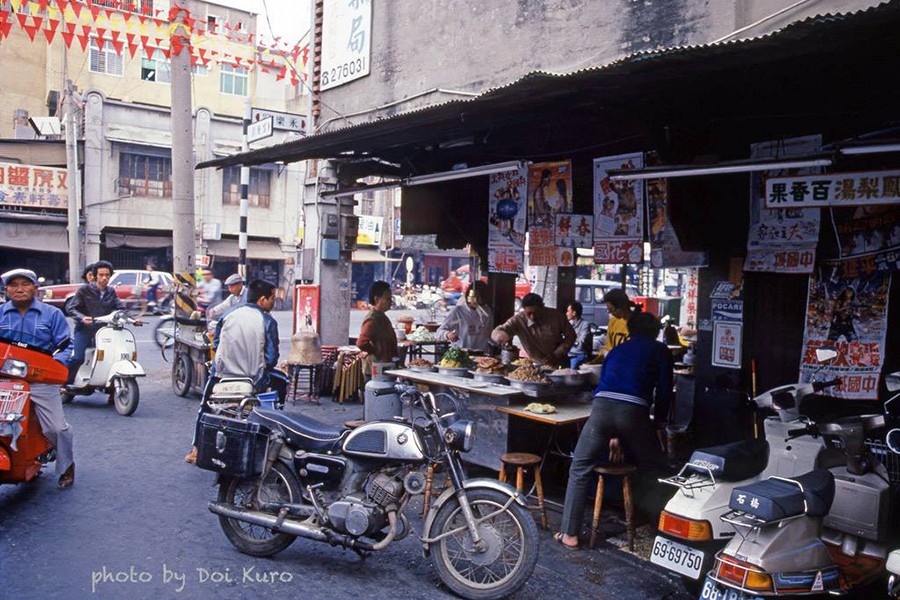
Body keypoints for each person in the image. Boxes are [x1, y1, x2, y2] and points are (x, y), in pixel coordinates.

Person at [555, 312, 672, 549]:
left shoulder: (616, 351)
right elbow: (665, 390)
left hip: (601, 410)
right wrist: (659, 423)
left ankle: (569, 533)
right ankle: (663, 532)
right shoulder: (661, 350)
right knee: (655, 469)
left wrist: (614, 435)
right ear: (655, 331)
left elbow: (606, 386)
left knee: (579, 468)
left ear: (630, 330)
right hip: (634, 413)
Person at [185, 279, 283, 464]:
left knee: (204, 409)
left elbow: (216, 344)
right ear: (262, 300)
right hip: (253, 381)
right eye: (272, 299)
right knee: (276, 397)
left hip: (221, 377)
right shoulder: (268, 321)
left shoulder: (229, 314)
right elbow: (271, 359)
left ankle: (196, 451)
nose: (273, 303)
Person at [0, 268, 75, 489]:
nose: (20, 289)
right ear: (6, 290)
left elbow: (65, 345)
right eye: (14, 285)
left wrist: (57, 366)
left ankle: (66, 465)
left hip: (40, 378)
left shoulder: (52, 315)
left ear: (35, 288)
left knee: (57, 428)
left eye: (25, 284)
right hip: (3, 379)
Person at [63, 261, 132, 388]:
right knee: (78, 358)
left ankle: (111, 388)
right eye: (101, 275)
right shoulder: (84, 290)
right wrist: (83, 318)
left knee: (113, 357)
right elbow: (72, 308)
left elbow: (120, 307)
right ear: (95, 276)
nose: (104, 278)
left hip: (104, 330)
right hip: (84, 329)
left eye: (107, 275)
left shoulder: (111, 291)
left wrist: (132, 319)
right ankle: (65, 382)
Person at [491, 292, 575, 367]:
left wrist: (557, 354)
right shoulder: (518, 320)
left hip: (560, 363)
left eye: (536, 312)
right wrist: (499, 336)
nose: (532, 317)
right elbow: (501, 329)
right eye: (529, 313)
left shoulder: (556, 316)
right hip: (536, 365)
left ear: (542, 307)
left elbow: (571, 336)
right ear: (523, 310)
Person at [437, 281, 494, 352]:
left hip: (482, 354)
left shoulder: (487, 311)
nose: (480, 304)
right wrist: (448, 334)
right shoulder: (458, 311)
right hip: (462, 354)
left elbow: (489, 335)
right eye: (478, 300)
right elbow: (439, 332)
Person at [356, 280, 398, 364]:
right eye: (388, 298)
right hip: (375, 368)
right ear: (377, 299)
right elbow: (361, 343)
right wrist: (376, 351)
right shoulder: (372, 319)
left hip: (385, 364)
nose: (391, 302)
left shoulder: (382, 316)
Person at [594, 288, 639, 361]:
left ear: (622, 306)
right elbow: (609, 347)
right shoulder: (613, 322)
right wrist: (595, 361)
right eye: (608, 310)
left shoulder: (637, 322)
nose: (610, 313)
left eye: (612, 310)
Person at [566, 301, 592, 368]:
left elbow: (580, 344)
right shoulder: (569, 324)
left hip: (578, 354)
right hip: (569, 354)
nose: (566, 313)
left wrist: (568, 343)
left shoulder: (585, 325)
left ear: (574, 313)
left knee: (573, 365)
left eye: (568, 311)